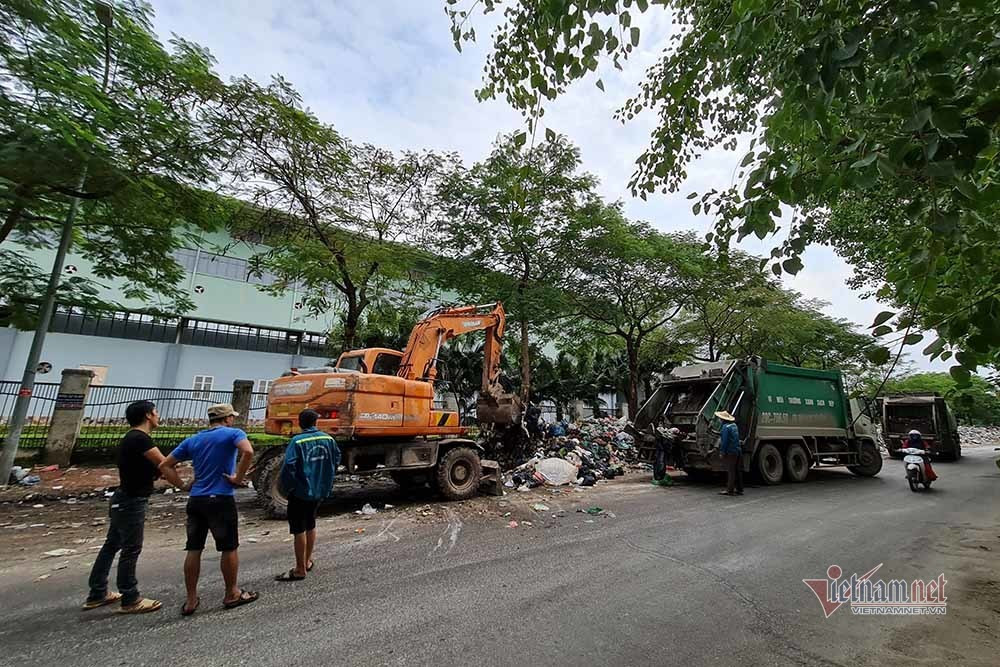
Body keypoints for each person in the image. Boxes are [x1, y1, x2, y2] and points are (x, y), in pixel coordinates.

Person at [159, 403, 258, 615]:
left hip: (196, 500)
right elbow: (248, 451)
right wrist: (238, 478)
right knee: (228, 547)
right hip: (220, 499)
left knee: (194, 549)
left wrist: (183, 485)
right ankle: (232, 593)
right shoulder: (234, 434)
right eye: (232, 417)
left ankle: (191, 600)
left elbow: (165, 465)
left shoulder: (193, 440)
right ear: (228, 418)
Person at [82, 400, 165, 614]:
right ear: (148, 415)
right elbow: (164, 463)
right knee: (131, 549)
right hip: (132, 500)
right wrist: (184, 484)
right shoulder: (140, 438)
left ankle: (97, 593)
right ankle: (130, 598)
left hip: (123, 499)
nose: (158, 415)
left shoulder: (132, 438)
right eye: (155, 412)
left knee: (112, 545)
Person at [275, 409, 340, 582]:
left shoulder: (297, 441)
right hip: (318, 490)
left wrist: (287, 487)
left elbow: (289, 466)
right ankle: (307, 560)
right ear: (316, 422)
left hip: (300, 491)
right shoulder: (328, 439)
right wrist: (325, 477)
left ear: (300, 423)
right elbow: (336, 459)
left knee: (299, 529)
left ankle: (299, 569)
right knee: (311, 523)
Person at [717, 410, 743, 496]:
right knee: (737, 470)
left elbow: (724, 441)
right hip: (737, 450)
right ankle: (739, 489)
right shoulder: (734, 425)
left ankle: (730, 490)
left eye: (720, 418)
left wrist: (722, 452)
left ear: (723, 419)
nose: (719, 420)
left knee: (731, 471)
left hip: (730, 451)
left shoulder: (725, 427)